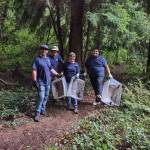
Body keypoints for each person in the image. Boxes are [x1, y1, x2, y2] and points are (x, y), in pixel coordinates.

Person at [32, 44, 59, 122]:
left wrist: (57, 74)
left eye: (46, 49)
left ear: (47, 51)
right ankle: (37, 113)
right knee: (41, 96)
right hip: (40, 81)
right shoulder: (37, 59)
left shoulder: (47, 59)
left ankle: (42, 110)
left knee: (46, 96)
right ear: (40, 50)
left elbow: (51, 69)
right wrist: (34, 80)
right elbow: (34, 70)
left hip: (48, 81)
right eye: (43, 49)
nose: (44, 51)